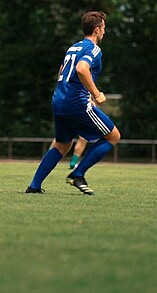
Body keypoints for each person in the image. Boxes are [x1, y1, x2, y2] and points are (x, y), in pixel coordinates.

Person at [26, 11, 120, 196]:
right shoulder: (94, 49)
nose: (104, 33)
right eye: (104, 29)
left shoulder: (73, 48)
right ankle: (78, 174)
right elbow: (81, 68)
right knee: (113, 136)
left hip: (59, 100)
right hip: (76, 103)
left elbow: (63, 71)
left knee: (62, 144)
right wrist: (96, 93)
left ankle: (34, 186)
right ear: (97, 29)